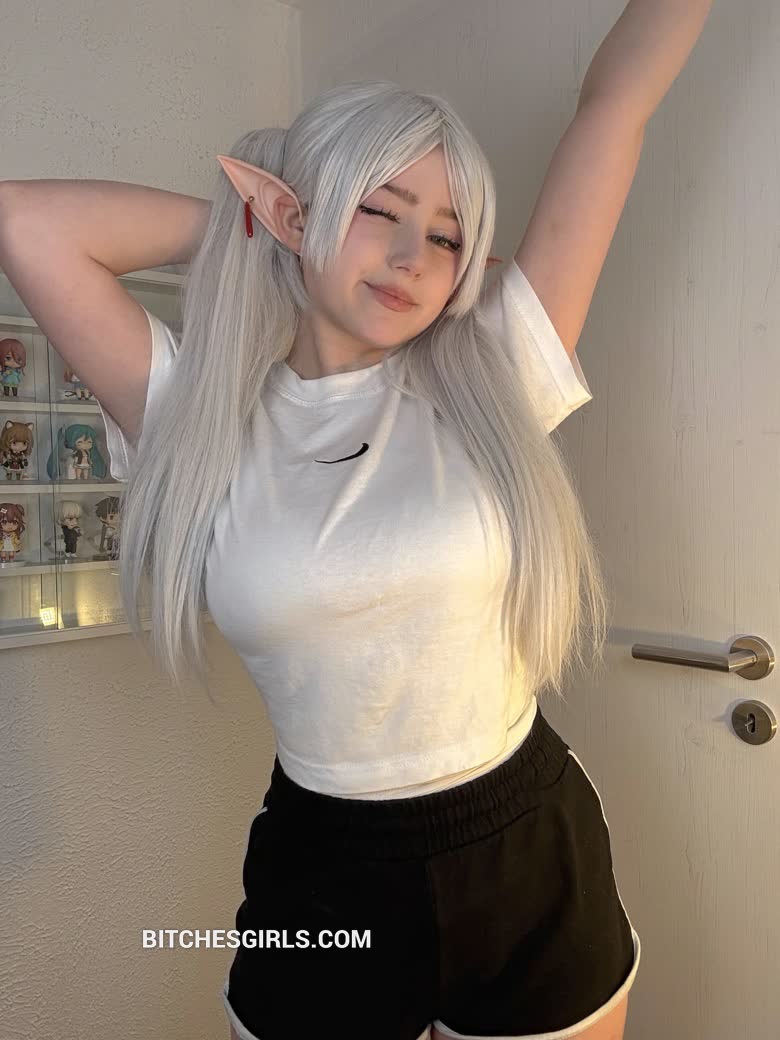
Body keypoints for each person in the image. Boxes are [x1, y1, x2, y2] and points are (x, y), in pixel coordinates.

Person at [2, 70, 677, 1040]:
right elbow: (23, 221)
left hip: (526, 838)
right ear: (291, 211)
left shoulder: (490, 373)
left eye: (447, 237)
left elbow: (616, 105)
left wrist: (327, 228)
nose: (412, 257)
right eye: (378, 210)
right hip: (324, 866)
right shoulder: (196, 412)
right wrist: (261, 233)